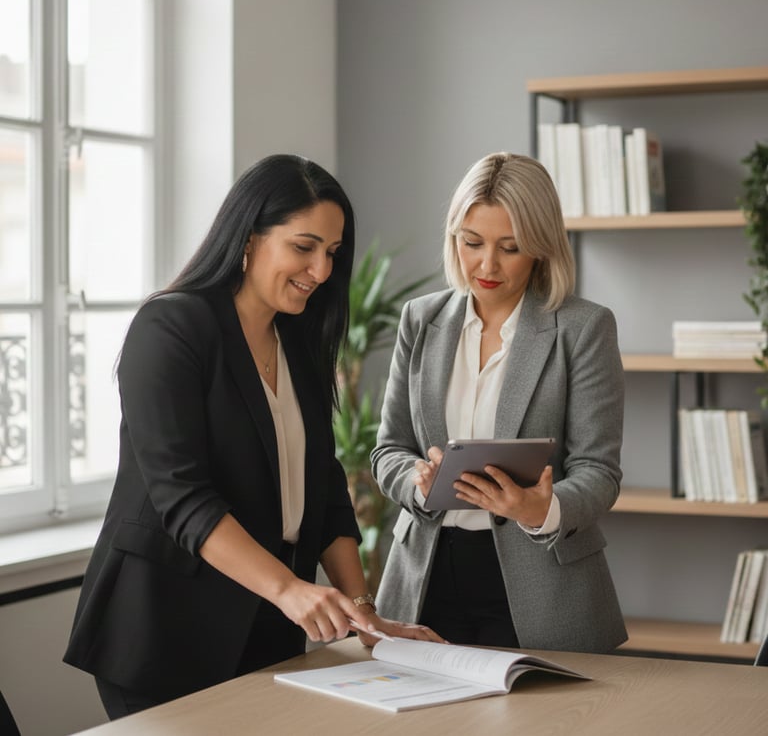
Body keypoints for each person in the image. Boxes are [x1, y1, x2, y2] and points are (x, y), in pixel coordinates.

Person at [64, 154, 440, 720]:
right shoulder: (170, 328)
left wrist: (367, 614)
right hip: (163, 631)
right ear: (248, 238)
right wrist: (289, 589)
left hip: (265, 628)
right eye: (303, 247)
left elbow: (325, 486)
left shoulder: (299, 342)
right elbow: (181, 498)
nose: (321, 270)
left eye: (332, 254)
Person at [371, 152, 627, 652]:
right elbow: (388, 451)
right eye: (472, 243)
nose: (486, 265)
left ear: (541, 248)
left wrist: (541, 508)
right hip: (426, 577)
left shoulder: (583, 328)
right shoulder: (419, 320)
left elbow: (599, 470)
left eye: (510, 248)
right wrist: (420, 482)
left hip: (541, 586)